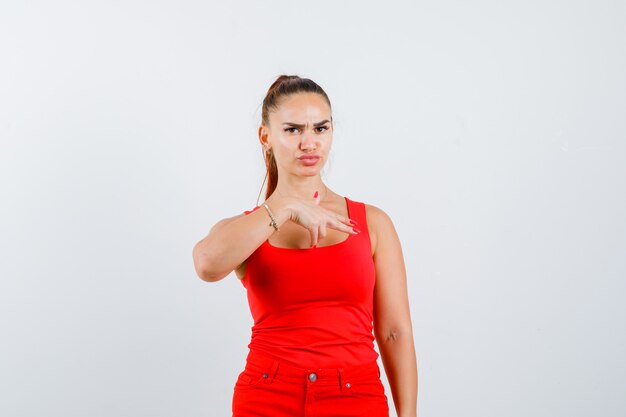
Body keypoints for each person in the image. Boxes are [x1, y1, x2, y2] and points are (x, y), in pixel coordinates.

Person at [192, 75, 418, 417]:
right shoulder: (248, 228)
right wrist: (284, 207)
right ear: (265, 136)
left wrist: (409, 414)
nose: (309, 142)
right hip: (267, 396)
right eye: (293, 130)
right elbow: (207, 264)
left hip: (356, 397)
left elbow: (394, 332)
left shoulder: (373, 223)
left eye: (320, 129)